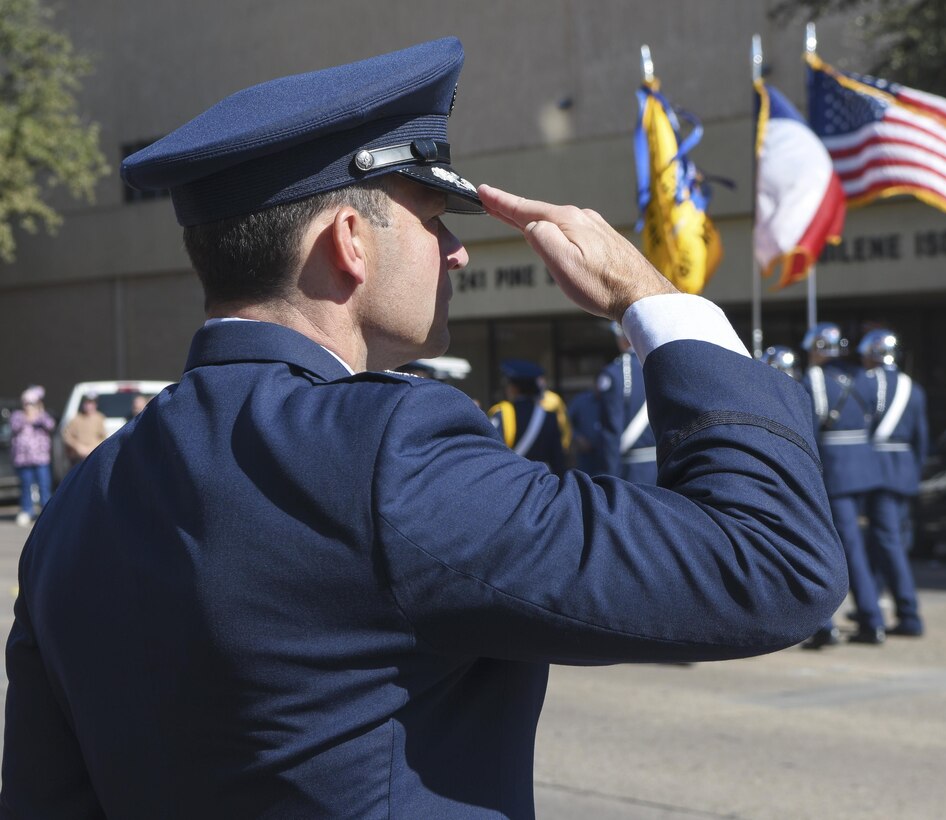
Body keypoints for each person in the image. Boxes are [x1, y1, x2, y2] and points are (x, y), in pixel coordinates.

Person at [2, 38, 846, 817]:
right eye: (433, 218)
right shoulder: (387, 452)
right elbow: (770, 564)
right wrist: (652, 300)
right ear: (349, 244)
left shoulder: (86, 501)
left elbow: (47, 797)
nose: (457, 254)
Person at [801, 321, 886, 648]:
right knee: (857, 545)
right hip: (866, 465)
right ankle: (870, 617)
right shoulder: (862, 376)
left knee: (834, 548)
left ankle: (833, 624)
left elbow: (812, 424)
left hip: (835, 468)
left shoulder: (816, 378)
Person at [859, 329, 927, 637]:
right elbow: (921, 440)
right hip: (904, 471)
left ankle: (908, 611)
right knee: (882, 540)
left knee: (888, 542)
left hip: (878, 470)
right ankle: (869, 602)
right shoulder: (915, 388)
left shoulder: (868, 383)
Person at [596, 320, 657, 483]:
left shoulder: (614, 373)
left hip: (632, 470)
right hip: (666, 466)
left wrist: (609, 476)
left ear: (624, 339)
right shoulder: (661, 364)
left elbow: (612, 429)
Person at [488, 359, 567, 475]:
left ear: (514, 388)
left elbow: (492, 454)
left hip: (512, 480)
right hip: (541, 482)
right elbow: (558, 462)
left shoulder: (501, 413)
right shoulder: (550, 417)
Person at [8, 385, 54, 527]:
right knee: (26, 485)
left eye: (32, 403)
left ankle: (47, 511)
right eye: (26, 403)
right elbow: (14, 426)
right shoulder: (18, 416)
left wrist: (39, 413)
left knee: (44, 485)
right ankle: (27, 510)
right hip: (23, 459)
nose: (29, 406)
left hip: (41, 458)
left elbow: (50, 425)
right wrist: (28, 418)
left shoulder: (43, 416)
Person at [567, 378, 604, 475]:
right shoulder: (581, 400)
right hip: (585, 453)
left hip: (605, 452)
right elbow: (566, 422)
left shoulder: (612, 399)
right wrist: (577, 437)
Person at [61, 391, 107, 467]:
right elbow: (67, 436)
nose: (89, 406)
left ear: (95, 405)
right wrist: (78, 447)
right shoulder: (76, 419)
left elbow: (103, 437)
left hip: (93, 455)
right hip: (78, 457)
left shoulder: (99, 418)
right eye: (87, 403)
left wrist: (92, 448)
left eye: (91, 403)